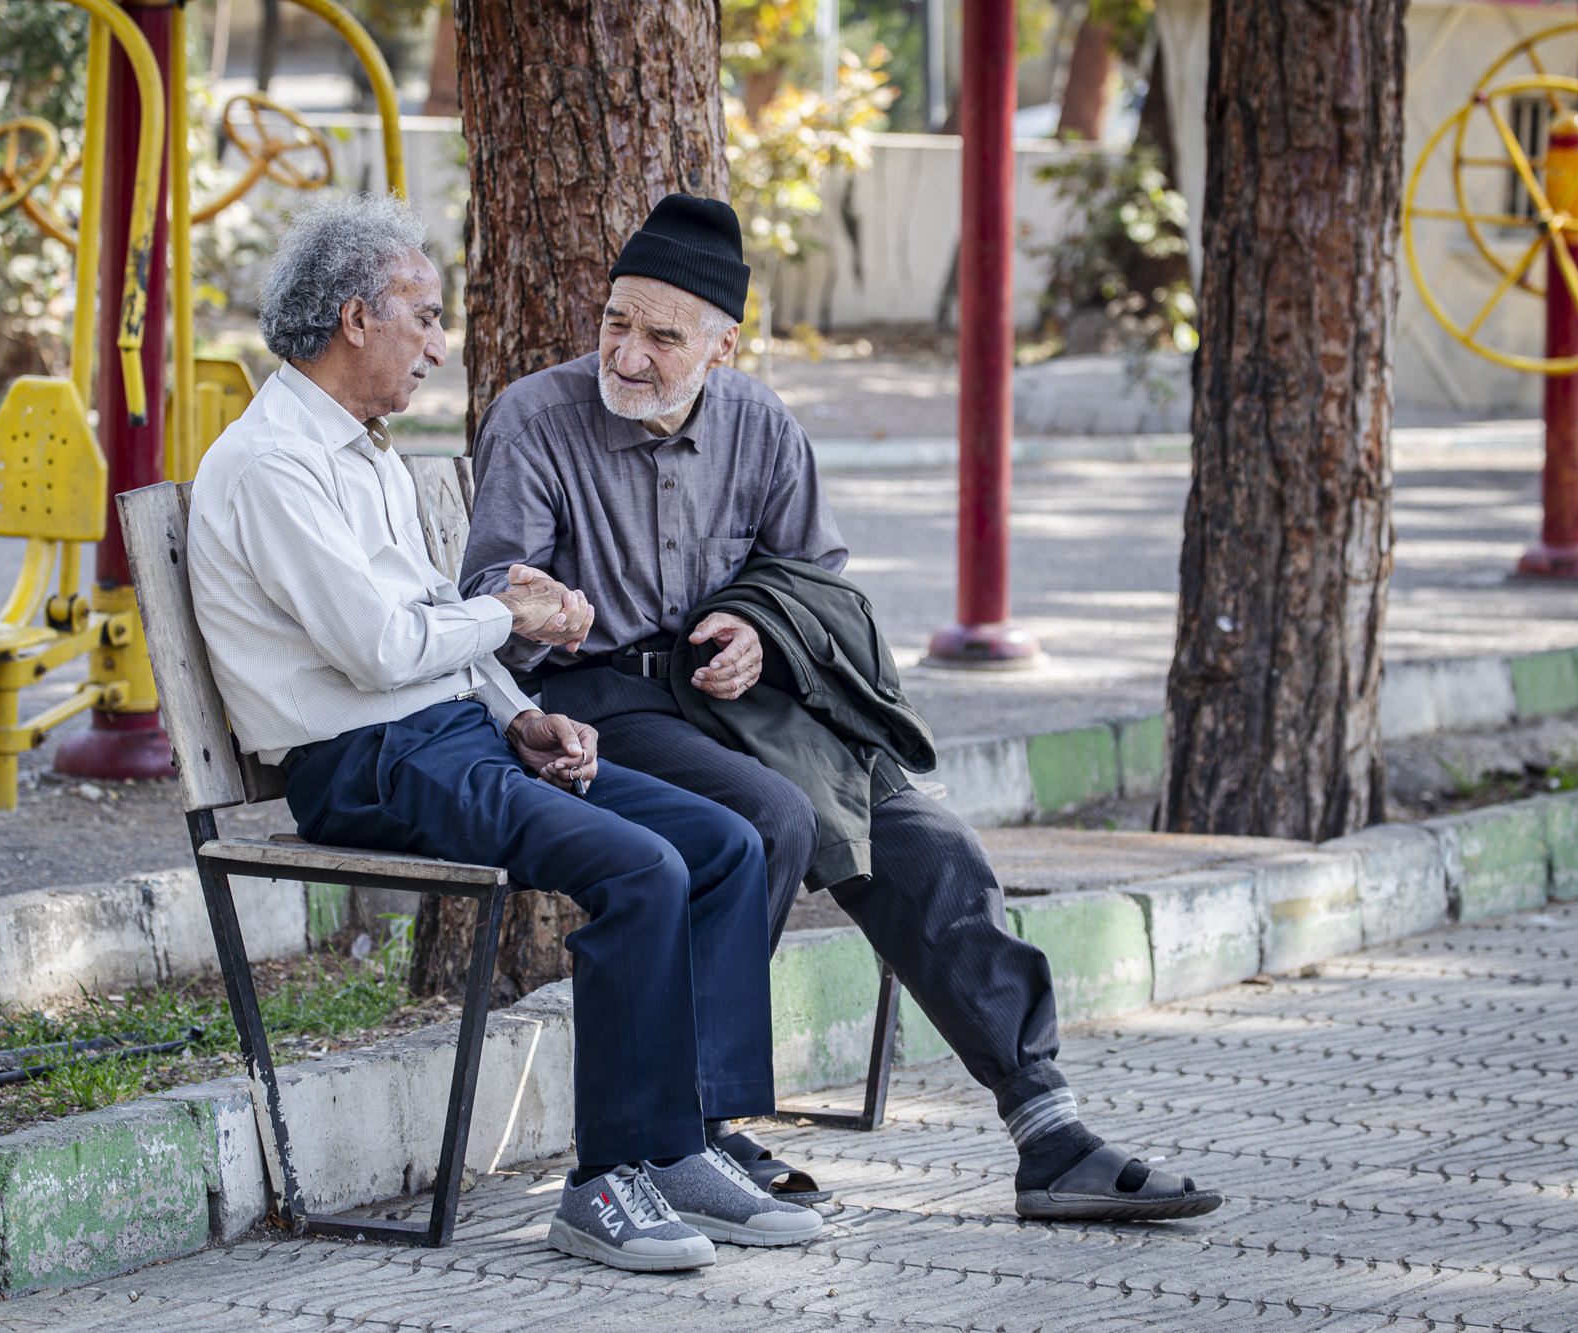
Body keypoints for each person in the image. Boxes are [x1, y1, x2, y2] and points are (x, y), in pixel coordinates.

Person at [461, 193, 1224, 1223]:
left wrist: (756, 630)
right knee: (762, 820)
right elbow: (491, 607)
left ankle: (1047, 1129)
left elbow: (815, 578)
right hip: (600, 696)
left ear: (721, 348)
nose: (627, 354)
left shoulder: (761, 424)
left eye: (661, 337)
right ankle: (695, 1130)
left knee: (928, 843)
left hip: (746, 697)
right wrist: (534, 608)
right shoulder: (536, 418)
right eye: (614, 322)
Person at [187, 193, 824, 1271]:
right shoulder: (272, 464)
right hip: (367, 764)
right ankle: (602, 1184)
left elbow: (430, 629)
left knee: (724, 842)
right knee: (641, 870)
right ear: (355, 319)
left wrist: (522, 714)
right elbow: (382, 649)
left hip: (445, 739)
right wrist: (516, 614)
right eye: (425, 317)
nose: (440, 346)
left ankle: (679, 1150)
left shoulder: (363, 453)